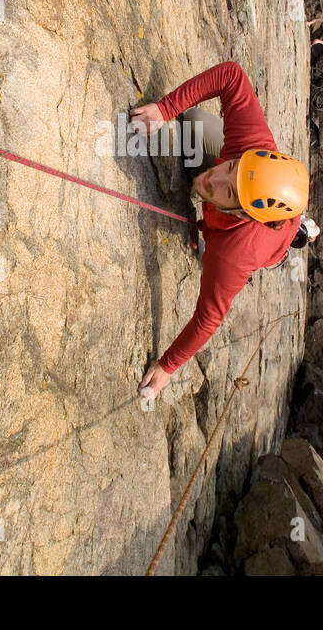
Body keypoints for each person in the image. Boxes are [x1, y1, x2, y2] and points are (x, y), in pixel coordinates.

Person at [128, 61, 309, 400]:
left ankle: (291, 241)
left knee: (215, 258)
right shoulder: (253, 148)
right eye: (230, 168)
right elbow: (232, 75)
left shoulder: (234, 256)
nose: (214, 178)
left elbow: (208, 318)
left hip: (263, 247)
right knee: (194, 121)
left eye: (227, 192)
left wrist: (168, 366)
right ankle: (294, 220)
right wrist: (166, 109)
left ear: (244, 212)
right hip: (261, 191)